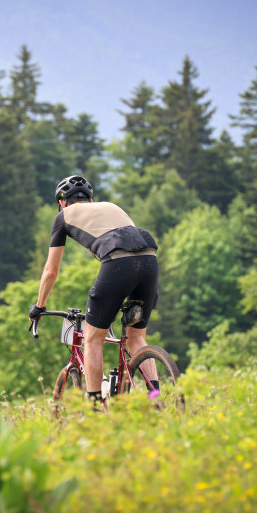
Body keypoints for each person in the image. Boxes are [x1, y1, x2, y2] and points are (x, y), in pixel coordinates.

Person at [29, 175, 160, 409]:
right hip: (150, 261)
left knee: (92, 338)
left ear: (62, 202)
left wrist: (39, 306)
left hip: (117, 264)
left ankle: (93, 406)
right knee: (137, 337)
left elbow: (51, 270)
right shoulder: (112, 207)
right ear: (90, 200)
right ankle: (156, 398)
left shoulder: (63, 217)